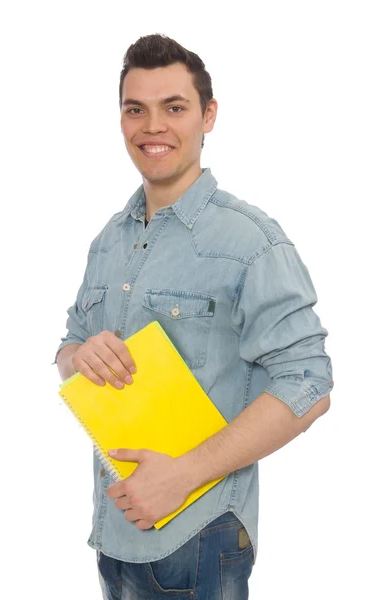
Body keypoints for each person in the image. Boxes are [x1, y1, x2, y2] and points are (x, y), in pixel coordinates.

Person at [53, 33, 334, 600]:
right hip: (115, 538)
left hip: (198, 539)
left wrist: (183, 476)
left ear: (208, 116)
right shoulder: (109, 240)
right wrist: (76, 357)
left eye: (173, 107)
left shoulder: (251, 241)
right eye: (136, 109)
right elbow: (68, 347)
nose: (152, 126)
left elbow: (310, 383)